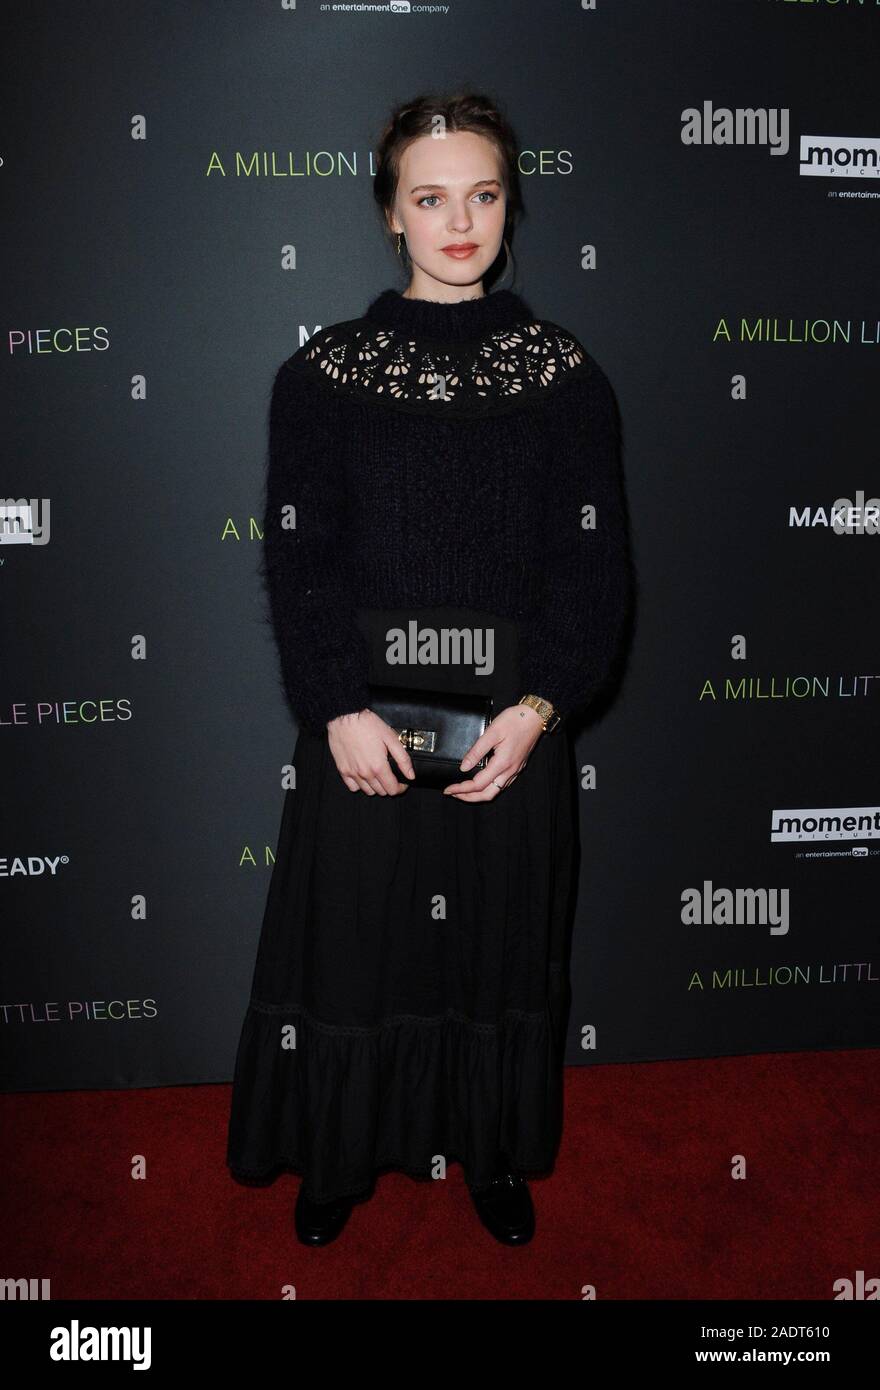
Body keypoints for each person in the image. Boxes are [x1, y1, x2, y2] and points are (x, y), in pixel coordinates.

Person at [226, 90, 634, 1247]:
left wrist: (543, 707)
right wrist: (334, 709)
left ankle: (491, 1151)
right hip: (362, 719)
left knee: (496, 952)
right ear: (391, 215)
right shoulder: (321, 376)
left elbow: (593, 568)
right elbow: (300, 558)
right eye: (431, 197)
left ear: (511, 205)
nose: (461, 221)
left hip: (514, 724)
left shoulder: (567, 375)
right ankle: (339, 1153)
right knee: (357, 949)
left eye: (484, 194)